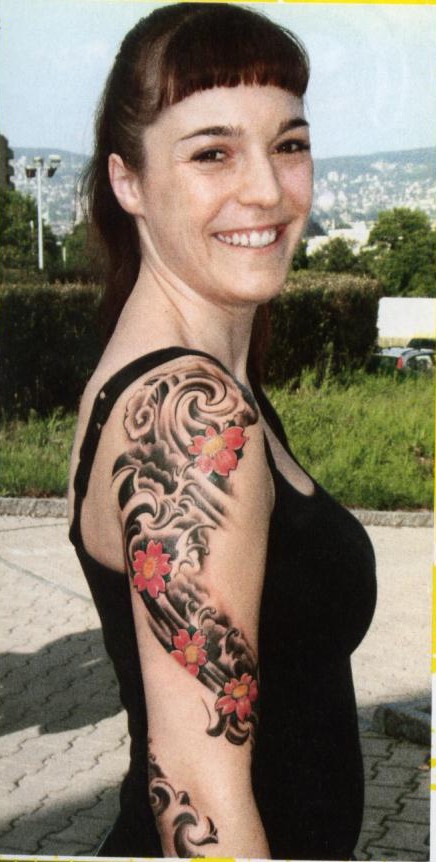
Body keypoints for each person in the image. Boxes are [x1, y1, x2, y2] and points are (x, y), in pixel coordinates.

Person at [68, 4, 376, 859]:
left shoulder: (200, 377)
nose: (268, 190)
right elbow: (197, 798)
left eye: (289, 144)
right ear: (128, 181)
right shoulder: (187, 415)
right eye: (213, 152)